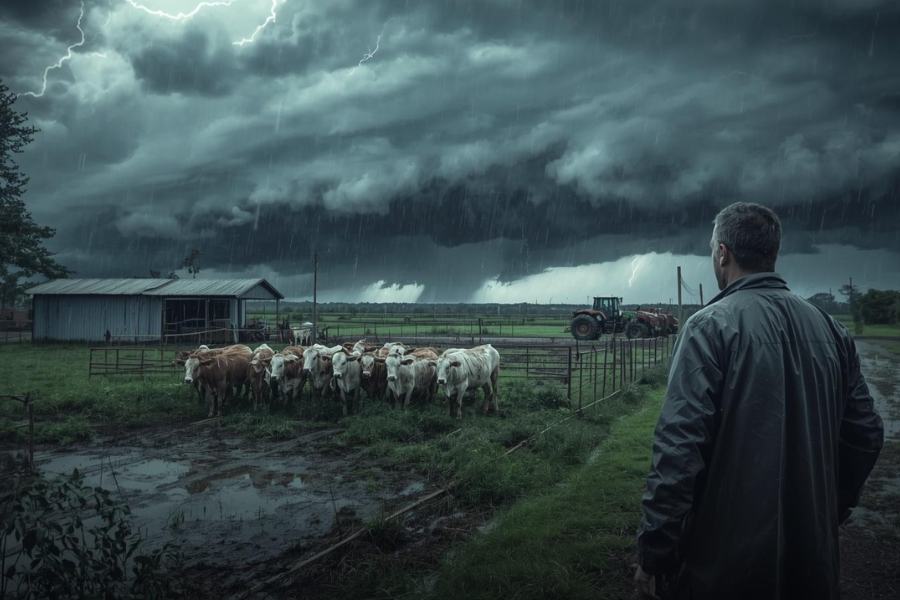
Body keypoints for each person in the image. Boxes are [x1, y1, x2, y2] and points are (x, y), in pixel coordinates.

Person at [634, 202, 884, 600]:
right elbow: (866, 434)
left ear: (722, 253)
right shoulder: (831, 329)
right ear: (773, 253)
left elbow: (679, 449)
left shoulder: (709, 327)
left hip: (725, 562)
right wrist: (828, 508)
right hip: (812, 559)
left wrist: (655, 551)